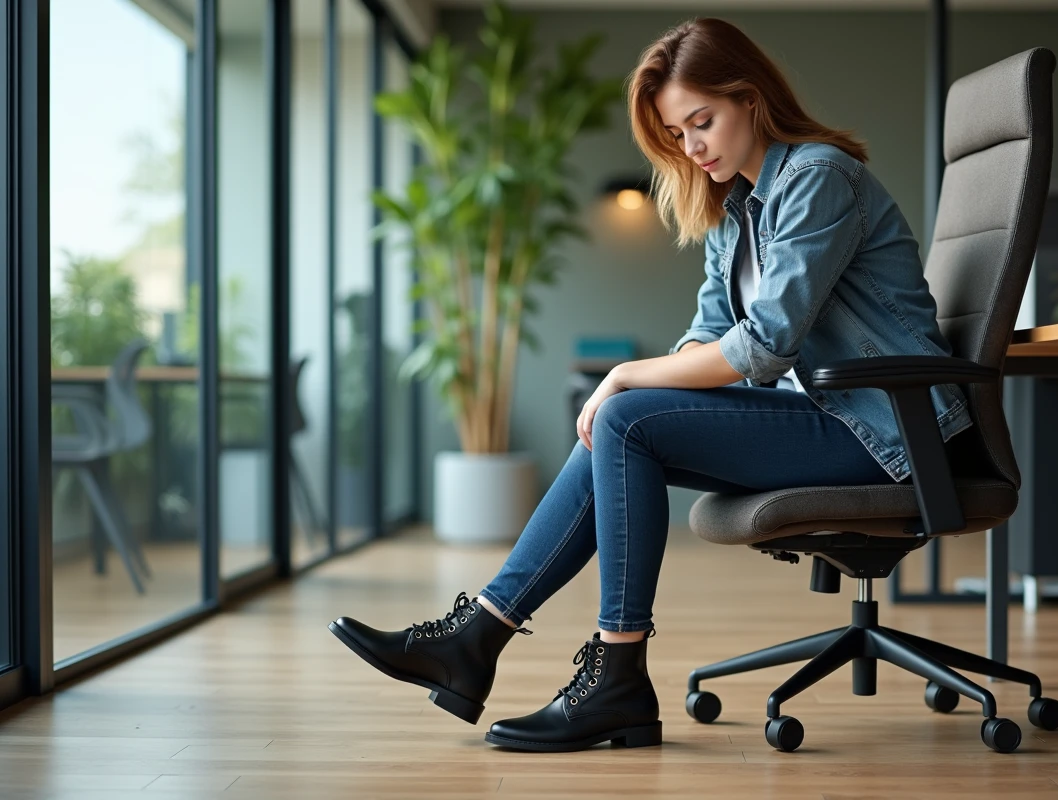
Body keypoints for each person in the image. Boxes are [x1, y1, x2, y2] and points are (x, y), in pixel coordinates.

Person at [328, 16, 972, 753]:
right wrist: (629, 390)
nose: (693, 147)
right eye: (678, 134)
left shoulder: (819, 177)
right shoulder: (736, 209)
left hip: (890, 430)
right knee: (624, 420)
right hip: (826, 417)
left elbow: (761, 347)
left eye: (704, 122)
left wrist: (625, 377)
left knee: (627, 415)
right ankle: (497, 644)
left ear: (752, 98)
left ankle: (588, 669)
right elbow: (706, 335)